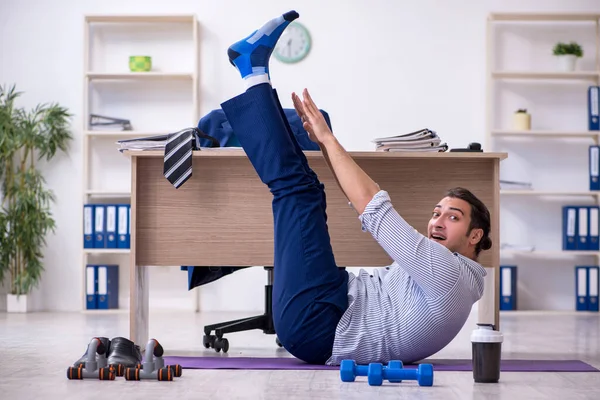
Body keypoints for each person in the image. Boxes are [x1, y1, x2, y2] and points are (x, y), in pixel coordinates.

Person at [219, 10, 490, 366]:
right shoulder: (455, 275)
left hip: (319, 326)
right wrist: (324, 140)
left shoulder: (448, 274)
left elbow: (374, 208)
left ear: (475, 236)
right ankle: (252, 72)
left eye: (453, 217)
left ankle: (251, 69)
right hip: (333, 301)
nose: (437, 222)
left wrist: (327, 138)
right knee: (305, 190)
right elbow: (366, 198)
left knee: (297, 191)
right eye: (437, 212)